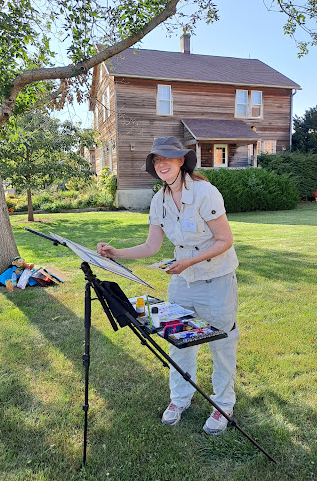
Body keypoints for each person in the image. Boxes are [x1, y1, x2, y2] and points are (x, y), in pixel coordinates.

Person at [97, 136, 239, 435]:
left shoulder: (204, 192)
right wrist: (116, 252)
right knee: (179, 341)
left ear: (181, 161)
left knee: (221, 344)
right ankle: (180, 399)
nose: (161, 164)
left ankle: (223, 403)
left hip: (216, 280)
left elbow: (225, 241)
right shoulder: (159, 199)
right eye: (156, 160)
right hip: (181, 282)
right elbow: (151, 245)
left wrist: (189, 261)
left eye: (167, 158)